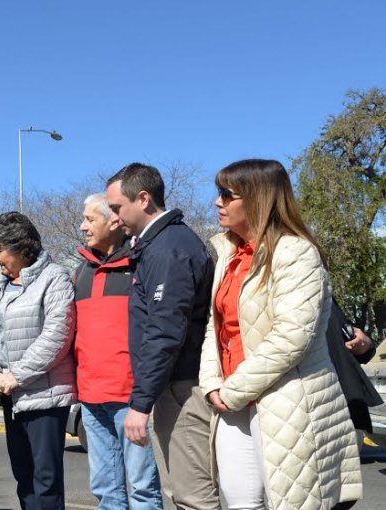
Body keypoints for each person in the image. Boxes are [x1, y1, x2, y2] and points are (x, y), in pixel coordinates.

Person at [198, 159, 362, 509]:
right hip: (231, 400)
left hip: (286, 399)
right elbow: (216, 327)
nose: (217, 202)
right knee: (240, 500)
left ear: (258, 198)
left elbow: (292, 338)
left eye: (227, 195)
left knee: (292, 501)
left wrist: (234, 390)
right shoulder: (228, 254)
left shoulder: (296, 252)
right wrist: (212, 383)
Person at [105, 163, 218, 510]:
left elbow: (164, 330)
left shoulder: (169, 249)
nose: (114, 220)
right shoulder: (155, 245)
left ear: (143, 199)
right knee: (181, 494)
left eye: (116, 208)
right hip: (172, 386)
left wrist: (141, 403)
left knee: (193, 497)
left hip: (182, 388)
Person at [0, 212, 76, 510]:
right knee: (24, 477)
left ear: (20, 247)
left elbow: (57, 335)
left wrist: (15, 376)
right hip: (8, 396)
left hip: (44, 396)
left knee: (46, 481)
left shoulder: (54, 277)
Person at [73, 192, 163, 509]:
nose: (83, 226)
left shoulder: (141, 264)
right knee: (106, 491)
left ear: (113, 220)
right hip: (90, 395)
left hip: (132, 397)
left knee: (143, 489)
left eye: (89, 219)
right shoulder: (81, 271)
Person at [325, 298, 383, 450]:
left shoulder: (323, 290)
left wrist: (365, 344)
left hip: (344, 407)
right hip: (310, 409)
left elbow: (343, 338)